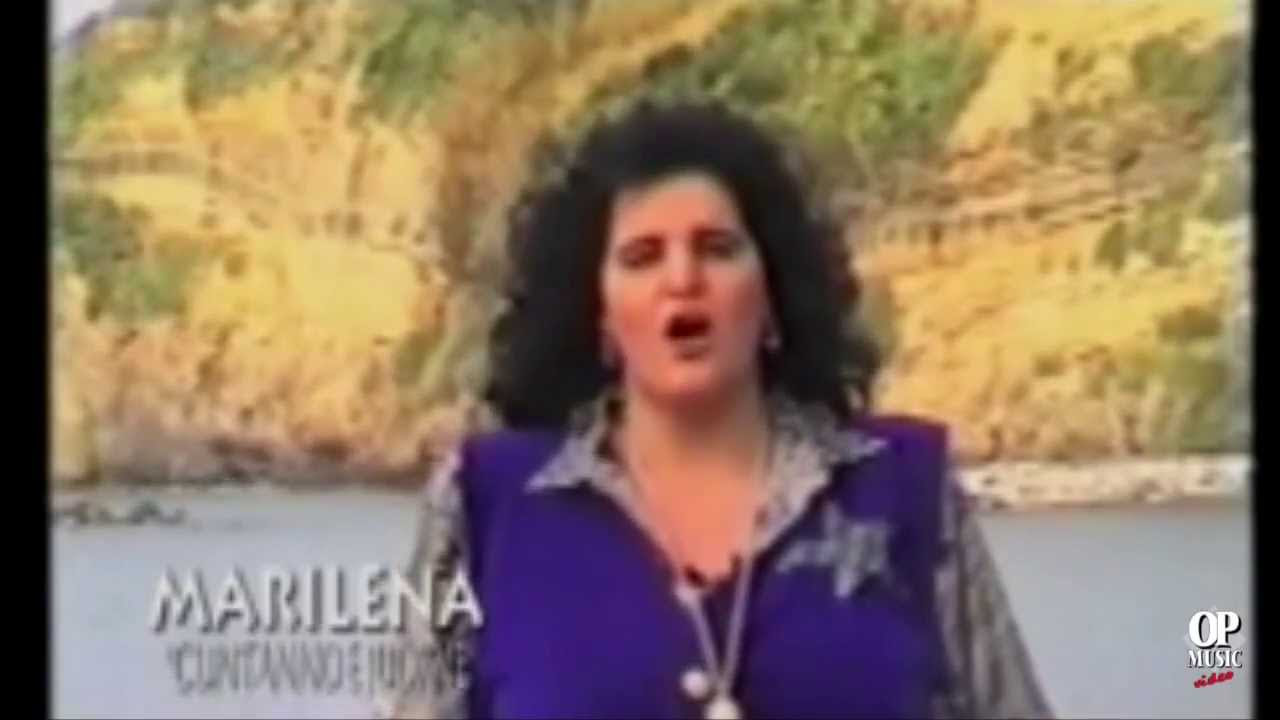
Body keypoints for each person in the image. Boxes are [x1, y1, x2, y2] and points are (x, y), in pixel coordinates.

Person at [377, 101, 1052, 719]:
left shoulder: (907, 490)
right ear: (600, 314)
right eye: (642, 257)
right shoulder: (482, 509)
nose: (683, 280)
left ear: (771, 292)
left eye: (717, 249)